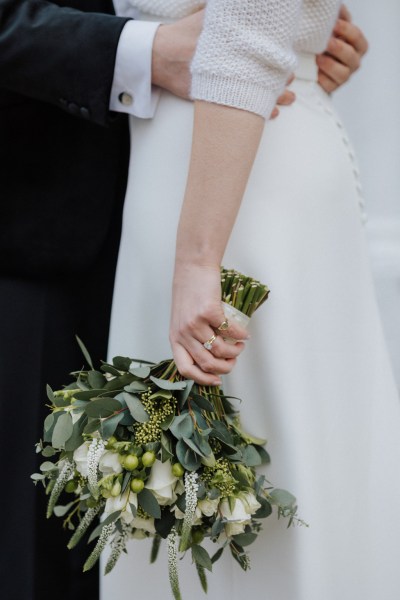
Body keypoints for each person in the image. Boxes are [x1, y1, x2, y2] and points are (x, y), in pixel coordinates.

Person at [106, 2, 400, 600]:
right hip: (211, 157)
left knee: (275, 477)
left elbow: (249, 26)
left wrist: (197, 259)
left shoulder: (201, 244)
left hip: (232, 180)